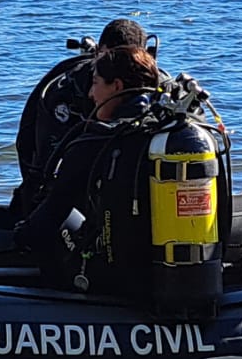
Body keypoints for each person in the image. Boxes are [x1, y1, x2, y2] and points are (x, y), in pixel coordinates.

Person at [11, 43, 162, 291]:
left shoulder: (97, 140)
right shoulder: (165, 130)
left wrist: (20, 236)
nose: (92, 94)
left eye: (96, 83)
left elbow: (52, 214)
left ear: (116, 87)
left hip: (112, 278)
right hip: (161, 274)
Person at [11, 16, 156, 219]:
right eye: (107, 58)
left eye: (126, 62)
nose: (114, 67)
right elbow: (39, 160)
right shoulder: (67, 91)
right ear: (98, 53)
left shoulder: (157, 90)